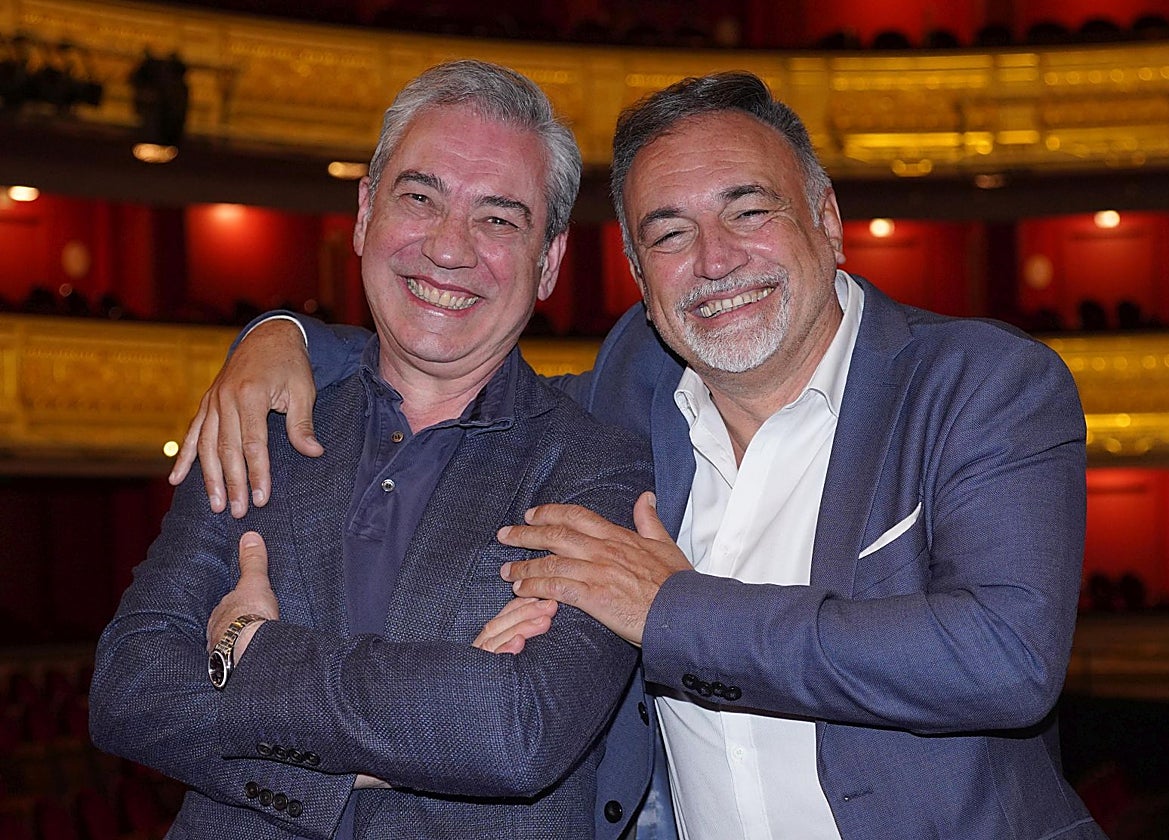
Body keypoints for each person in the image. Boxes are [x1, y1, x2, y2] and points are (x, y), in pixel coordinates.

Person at [177, 72, 1105, 840]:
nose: (715, 260)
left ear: (826, 218)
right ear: (636, 272)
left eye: (749, 211)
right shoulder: (631, 389)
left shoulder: (981, 384)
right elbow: (449, 351)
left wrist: (671, 610)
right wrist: (282, 335)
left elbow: (1005, 658)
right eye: (669, 233)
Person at [89, 60, 661, 840]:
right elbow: (130, 688)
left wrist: (253, 652)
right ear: (364, 214)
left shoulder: (601, 468)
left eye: (499, 219)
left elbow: (517, 732)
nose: (449, 248)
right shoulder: (257, 424)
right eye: (420, 198)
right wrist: (409, 736)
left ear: (550, 262)